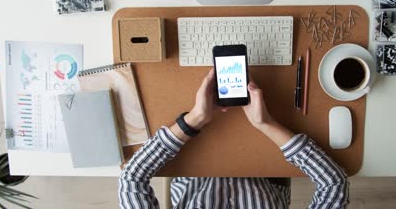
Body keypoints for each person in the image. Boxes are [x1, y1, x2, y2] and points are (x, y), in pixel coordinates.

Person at [119, 69, 349, 209]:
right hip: (266, 167)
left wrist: (195, 118)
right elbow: (334, 184)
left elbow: (131, 180)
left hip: (195, 160)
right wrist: (265, 123)